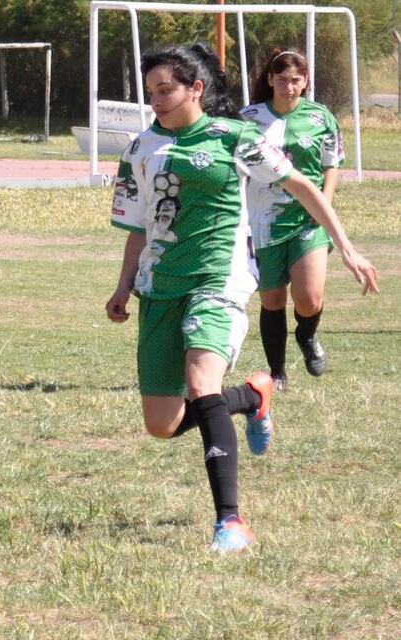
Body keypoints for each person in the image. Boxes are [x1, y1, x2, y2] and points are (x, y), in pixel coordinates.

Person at [105, 44, 378, 554]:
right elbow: (139, 228)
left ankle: (229, 523)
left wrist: (346, 247)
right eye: (151, 93)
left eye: (166, 90)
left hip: (220, 279)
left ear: (196, 89)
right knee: (162, 425)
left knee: (201, 381)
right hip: (160, 288)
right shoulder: (140, 148)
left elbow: (302, 184)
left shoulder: (236, 137)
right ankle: (253, 397)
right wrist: (123, 287)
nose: (157, 100)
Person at [240, 49, 378, 390]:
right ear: (270, 80)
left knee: (309, 297)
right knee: (272, 300)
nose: (289, 87)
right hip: (263, 222)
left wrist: (324, 201)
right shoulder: (248, 118)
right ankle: (278, 374)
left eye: (296, 80)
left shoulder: (320, 118)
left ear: (306, 82)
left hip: (309, 219)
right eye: (283, 79)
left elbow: (332, 163)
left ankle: (307, 334)